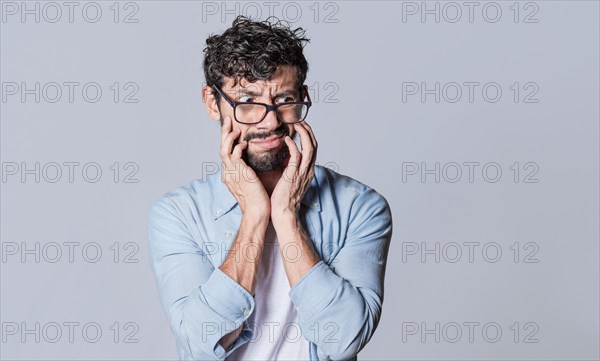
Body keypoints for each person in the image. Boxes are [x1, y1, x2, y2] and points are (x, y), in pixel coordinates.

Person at [147, 16, 393, 361]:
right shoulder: (178, 213)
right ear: (211, 102)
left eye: (285, 99)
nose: (271, 121)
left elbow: (345, 339)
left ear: (303, 97)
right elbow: (200, 342)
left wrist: (286, 216)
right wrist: (255, 215)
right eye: (247, 101)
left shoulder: (360, 206)